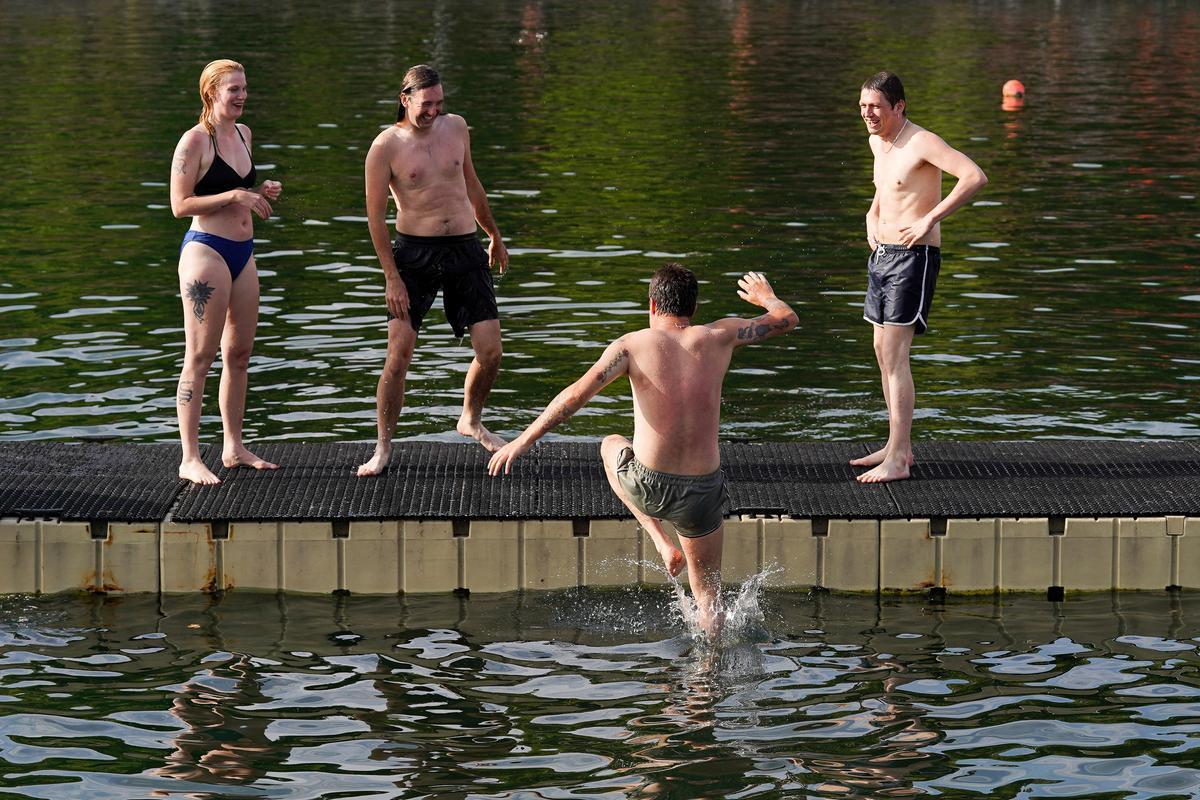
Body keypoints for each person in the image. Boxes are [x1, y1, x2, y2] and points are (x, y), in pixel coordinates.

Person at [487, 265, 798, 637]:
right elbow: (785, 319)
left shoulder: (630, 346)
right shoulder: (720, 335)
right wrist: (765, 296)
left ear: (652, 304)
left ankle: (660, 541)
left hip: (646, 486)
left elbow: (573, 398)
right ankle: (706, 684)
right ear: (694, 308)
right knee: (709, 601)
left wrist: (523, 440)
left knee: (610, 446)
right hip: (701, 494)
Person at [357, 65, 510, 477]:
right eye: (427, 104)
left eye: (440, 103)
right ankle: (384, 446)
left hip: (464, 248)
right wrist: (391, 276)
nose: (434, 111)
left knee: (491, 350)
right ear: (405, 99)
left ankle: (470, 419)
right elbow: (374, 219)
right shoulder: (385, 147)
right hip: (413, 255)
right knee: (398, 354)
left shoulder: (456, 128)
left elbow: (472, 184)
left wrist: (493, 234)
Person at [853, 71, 987, 483]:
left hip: (914, 256)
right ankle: (899, 447)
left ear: (899, 107)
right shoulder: (878, 141)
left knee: (895, 355)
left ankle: (898, 459)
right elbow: (887, 187)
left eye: (875, 106)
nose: (868, 114)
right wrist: (872, 214)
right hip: (882, 255)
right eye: (863, 106)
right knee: (881, 350)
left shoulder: (922, 142)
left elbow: (974, 177)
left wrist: (930, 217)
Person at [170, 59, 282, 485]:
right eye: (233, 89)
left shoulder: (243, 133)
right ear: (211, 93)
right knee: (200, 357)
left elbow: (239, 191)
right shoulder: (194, 141)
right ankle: (190, 457)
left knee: (238, 355)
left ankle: (233, 447)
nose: (241, 96)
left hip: (244, 253)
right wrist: (235, 193)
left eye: (244, 88)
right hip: (207, 253)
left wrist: (257, 192)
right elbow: (180, 206)